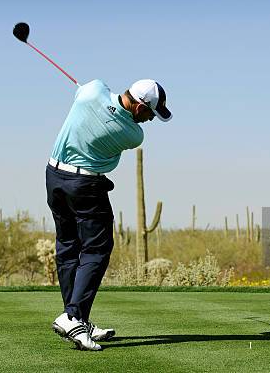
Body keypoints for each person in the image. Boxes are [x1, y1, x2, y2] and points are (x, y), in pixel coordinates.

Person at [47, 78, 171, 351]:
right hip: (86, 186)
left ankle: (77, 320)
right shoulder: (133, 135)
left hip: (54, 176)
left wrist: (90, 94)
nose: (149, 120)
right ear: (139, 108)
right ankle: (73, 316)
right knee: (97, 249)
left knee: (67, 247)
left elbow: (90, 93)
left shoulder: (92, 91)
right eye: (150, 113)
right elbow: (116, 117)